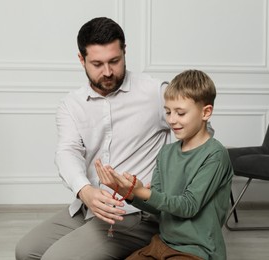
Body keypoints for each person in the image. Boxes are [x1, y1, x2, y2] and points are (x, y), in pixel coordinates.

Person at [15, 17, 170, 260]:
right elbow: (67, 152)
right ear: (81, 59)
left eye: (114, 61)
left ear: (125, 52)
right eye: (97, 63)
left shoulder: (155, 92)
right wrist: (84, 190)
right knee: (26, 252)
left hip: (135, 212)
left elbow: (200, 135)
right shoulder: (71, 104)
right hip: (90, 207)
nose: (108, 72)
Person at [96, 70, 234, 260]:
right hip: (161, 243)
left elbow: (188, 206)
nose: (171, 120)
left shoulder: (215, 154)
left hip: (197, 251)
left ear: (206, 112)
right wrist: (126, 191)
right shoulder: (166, 152)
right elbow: (157, 207)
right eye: (168, 112)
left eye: (180, 113)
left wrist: (143, 191)